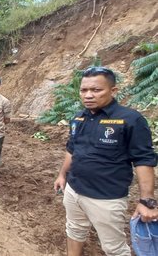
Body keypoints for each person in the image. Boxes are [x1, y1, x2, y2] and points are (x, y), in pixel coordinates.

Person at [53, 66, 157, 256]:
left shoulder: (130, 120)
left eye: (96, 90)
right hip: (74, 190)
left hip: (106, 198)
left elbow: (143, 160)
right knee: (74, 230)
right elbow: (71, 149)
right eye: (84, 90)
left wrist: (147, 201)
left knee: (114, 248)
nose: (89, 95)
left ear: (113, 90)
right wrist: (62, 175)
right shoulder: (78, 117)